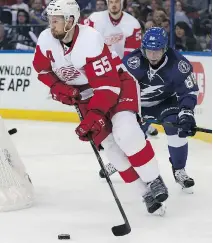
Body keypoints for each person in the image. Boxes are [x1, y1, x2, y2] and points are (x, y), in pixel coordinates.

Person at [33, 0, 168, 214]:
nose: (52, 25)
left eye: (56, 20)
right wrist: (60, 89)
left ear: (70, 20)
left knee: (126, 133)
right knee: (112, 149)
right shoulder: (46, 39)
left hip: (117, 85)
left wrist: (94, 116)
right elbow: (42, 70)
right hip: (87, 96)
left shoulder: (89, 39)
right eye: (50, 20)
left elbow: (108, 87)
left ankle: (154, 179)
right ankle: (144, 193)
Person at [99, 27, 198, 192]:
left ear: (165, 49)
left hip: (165, 102)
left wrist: (187, 112)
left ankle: (179, 170)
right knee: (128, 134)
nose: (152, 55)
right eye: (149, 51)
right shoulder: (132, 62)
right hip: (137, 105)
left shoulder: (179, 64)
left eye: (157, 51)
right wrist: (125, 111)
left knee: (176, 127)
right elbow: (118, 88)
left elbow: (188, 91)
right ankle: (122, 160)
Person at [84, 0, 158, 136]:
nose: (113, 4)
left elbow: (131, 57)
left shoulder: (132, 24)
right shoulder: (94, 19)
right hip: (97, 67)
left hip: (121, 68)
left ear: (122, 3)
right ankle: (103, 128)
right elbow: (83, 42)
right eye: (111, 1)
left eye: (117, 1)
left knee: (136, 87)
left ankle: (141, 122)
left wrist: (116, 71)